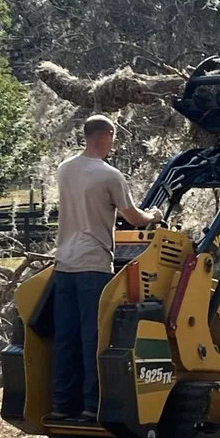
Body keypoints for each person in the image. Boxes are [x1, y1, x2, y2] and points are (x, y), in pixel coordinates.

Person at [49, 114, 163, 422]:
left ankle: (62, 405)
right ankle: (92, 405)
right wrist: (154, 216)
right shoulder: (110, 175)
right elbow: (133, 217)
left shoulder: (64, 169)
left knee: (66, 337)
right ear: (109, 134)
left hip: (64, 263)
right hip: (94, 263)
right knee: (93, 336)